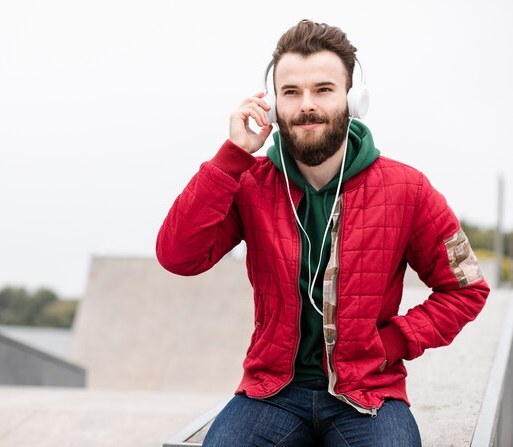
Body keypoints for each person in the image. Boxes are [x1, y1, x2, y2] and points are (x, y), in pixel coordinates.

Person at [156, 19, 489, 447]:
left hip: (368, 394)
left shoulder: (409, 189)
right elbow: (178, 256)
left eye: (323, 89)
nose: (306, 104)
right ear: (273, 105)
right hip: (272, 392)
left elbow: (466, 289)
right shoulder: (249, 183)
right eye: (291, 92)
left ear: (354, 99)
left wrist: (393, 341)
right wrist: (232, 156)